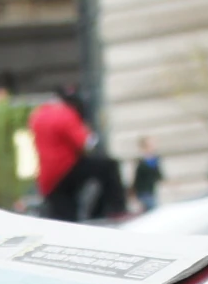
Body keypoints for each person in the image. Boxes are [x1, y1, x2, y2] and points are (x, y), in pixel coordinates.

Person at [30, 85, 127, 222]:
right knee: (108, 167)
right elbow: (87, 143)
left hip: (48, 179)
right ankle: (115, 209)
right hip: (67, 167)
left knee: (66, 220)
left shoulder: (38, 115)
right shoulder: (65, 114)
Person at [131, 137, 165, 213]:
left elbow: (158, 175)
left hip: (151, 190)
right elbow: (137, 179)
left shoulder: (155, 160)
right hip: (144, 192)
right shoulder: (141, 161)